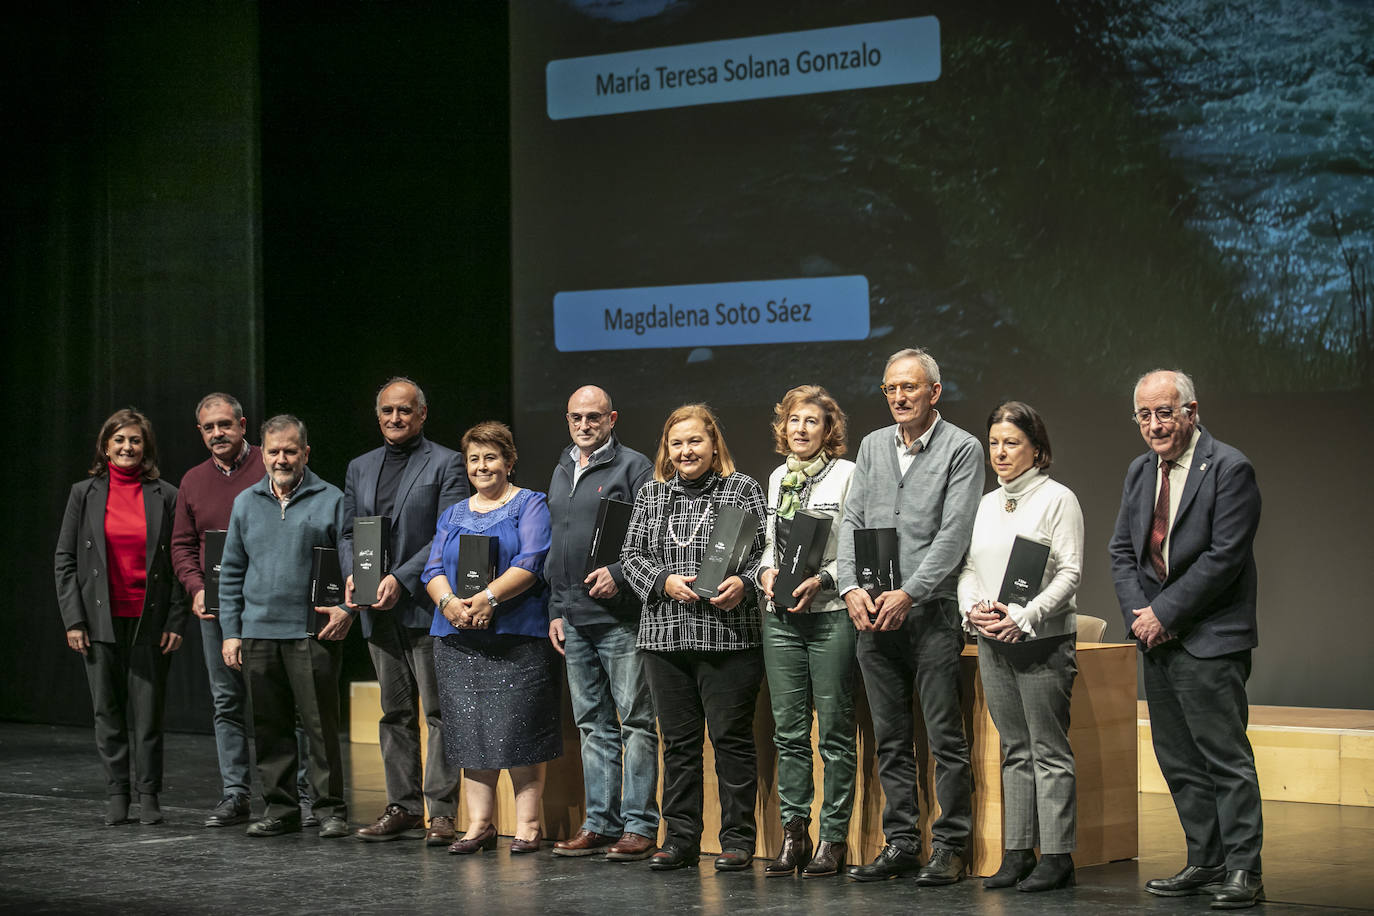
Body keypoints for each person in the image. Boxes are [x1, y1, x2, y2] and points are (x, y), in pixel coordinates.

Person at [1109, 369, 1264, 909]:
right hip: (1156, 639)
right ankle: (1207, 860)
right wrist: (1140, 617)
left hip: (1210, 637)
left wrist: (1164, 613)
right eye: (1144, 415)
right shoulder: (1138, 472)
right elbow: (1123, 554)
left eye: (1165, 413)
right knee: (1177, 759)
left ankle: (1245, 869)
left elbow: (1225, 558)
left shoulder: (1229, 467)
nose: (1155, 425)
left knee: (1224, 757)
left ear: (1191, 412)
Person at [836, 347, 983, 884]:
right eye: (891, 388)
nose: (899, 397)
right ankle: (901, 842)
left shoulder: (962, 448)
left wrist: (912, 593)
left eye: (910, 388)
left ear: (934, 393)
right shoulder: (874, 445)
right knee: (890, 737)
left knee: (944, 738)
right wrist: (851, 587)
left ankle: (951, 846)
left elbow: (955, 533)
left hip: (929, 615)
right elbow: (851, 520)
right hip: (872, 614)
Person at [621, 404, 768, 873]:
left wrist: (744, 582)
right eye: (677, 443)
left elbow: (764, 549)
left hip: (728, 637)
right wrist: (663, 580)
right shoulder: (651, 495)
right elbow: (631, 554)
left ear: (713, 444)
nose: (686, 451)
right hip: (665, 639)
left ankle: (737, 840)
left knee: (731, 741)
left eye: (695, 441)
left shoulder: (742, 489)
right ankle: (681, 838)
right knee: (679, 745)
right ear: (667, 449)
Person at [957, 401, 1083, 892]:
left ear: (1037, 449)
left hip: (1043, 641)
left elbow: (1071, 573)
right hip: (992, 639)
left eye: (1011, 443)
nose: (1001, 453)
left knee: (1048, 751)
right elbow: (968, 569)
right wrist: (973, 610)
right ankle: (1017, 854)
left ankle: (1056, 856)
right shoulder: (987, 503)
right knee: (1014, 750)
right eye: (994, 443)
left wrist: (1026, 617)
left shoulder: (1058, 499)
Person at [422, 421, 558, 855]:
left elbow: (532, 559)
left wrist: (486, 599)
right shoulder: (453, 514)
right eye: (474, 459)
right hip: (457, 636)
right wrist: (450, 605)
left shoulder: (530, 504)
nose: (482, 467)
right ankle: (480, 824)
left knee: (521, 733)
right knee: (469, 732)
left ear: (509, 461)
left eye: (491, 457)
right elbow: (432, 569)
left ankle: (529, 825)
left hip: (515, 635)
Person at [341, 378, 467, 846]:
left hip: (424, 606)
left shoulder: (447, 463)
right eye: (388, 412)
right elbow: (349, 532)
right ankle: (403, 806)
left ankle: (442, 813)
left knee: (437, 712)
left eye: (405, 411)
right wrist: (356, 573)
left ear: (422, 414)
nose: (396, 419)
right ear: (379, 416)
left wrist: (404, 578)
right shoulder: (360, 467)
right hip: (377, 609)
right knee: (393, 713)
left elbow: (448, 532)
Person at [218, 414, 353, 839]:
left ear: (305, 453)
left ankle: (330, 809)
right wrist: (232, 631)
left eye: (290, 451)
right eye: (274, 451)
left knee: (319, 727)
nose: (282, 458)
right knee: (270, 726)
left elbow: (352, 563)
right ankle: (281, 808)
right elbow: (231, 572)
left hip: (312, 632)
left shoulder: (331, 498)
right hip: (258, 631)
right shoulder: (245, 503)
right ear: (261, 454)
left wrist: (349, 608)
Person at [55, 408, 187, 826]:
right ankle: (118, 793)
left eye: (135, 440)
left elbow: (182, 559)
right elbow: (65, 560)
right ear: (106, 446)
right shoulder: (84, 492)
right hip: (99, 622)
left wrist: (175, 621)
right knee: (107, 712)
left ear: (145, 447)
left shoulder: (166, 494)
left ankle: (148, 794)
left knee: (147, 716)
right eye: (120, 440)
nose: (127, 447)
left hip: (149, 621)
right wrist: (74, 620)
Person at [546, 386, 659, 861]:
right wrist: (555, 607)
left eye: (594, 417)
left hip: (620, 618)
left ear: (612, 418)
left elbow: (652, 537)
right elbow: (558, 543)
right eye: (576, 417)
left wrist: (618, 574)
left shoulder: (635, 467)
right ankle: (600, 824)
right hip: (573, 618)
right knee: (593, 724)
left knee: (635, 721)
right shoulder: (562, 466)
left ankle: (638, 826)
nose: (585, 425)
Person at [754, 385, 857, 878]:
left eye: (812, 421)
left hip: (831, 614)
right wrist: (766, 573)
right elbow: (771, 545)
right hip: (780, 618)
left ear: (829, 430)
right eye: (793, 420)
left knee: (834, 734)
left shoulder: (848, 476)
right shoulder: (777, 478)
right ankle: (795, 835)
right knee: (789, 733)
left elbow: (853, 548)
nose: (801, 429)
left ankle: (833, 840)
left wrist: (826, 581)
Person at [171, 392, 271, 828]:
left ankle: (295, 795)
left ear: (243, 425)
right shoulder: (193, 480)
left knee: (277, 702)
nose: (218, 434)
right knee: (227, 702)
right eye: (209, 428)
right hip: (216, 611)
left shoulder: (270, 464)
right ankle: (235, 795)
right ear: (200, 432)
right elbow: (181, 545)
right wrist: (194, 588)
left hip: (268, 608)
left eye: (225, 425)